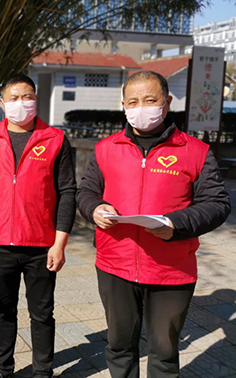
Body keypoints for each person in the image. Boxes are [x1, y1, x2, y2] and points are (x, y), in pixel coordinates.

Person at [76, 70, 231, 378]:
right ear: (123, 105)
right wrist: (94, 209)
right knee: (119, 346)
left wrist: (175, 224)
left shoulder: (196, 152)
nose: (141, 108)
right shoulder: (106, 148)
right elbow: (86, 192)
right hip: (115, 265)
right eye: (133, 102)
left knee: (163, 352)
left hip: (171, 270)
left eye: (150, 100)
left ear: (166, 102)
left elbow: (217, 204)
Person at [0, 73, 77, 378]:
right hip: (1, 244)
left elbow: (68, 191)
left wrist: (59, 244)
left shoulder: (55, 139)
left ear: (36, 100)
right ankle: (3, 369)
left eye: (27, 97)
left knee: (42, 313)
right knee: (3, 311)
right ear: (2, 104)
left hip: (42, 246)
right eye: (14, 98)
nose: (21, 103)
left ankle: (42, 371)